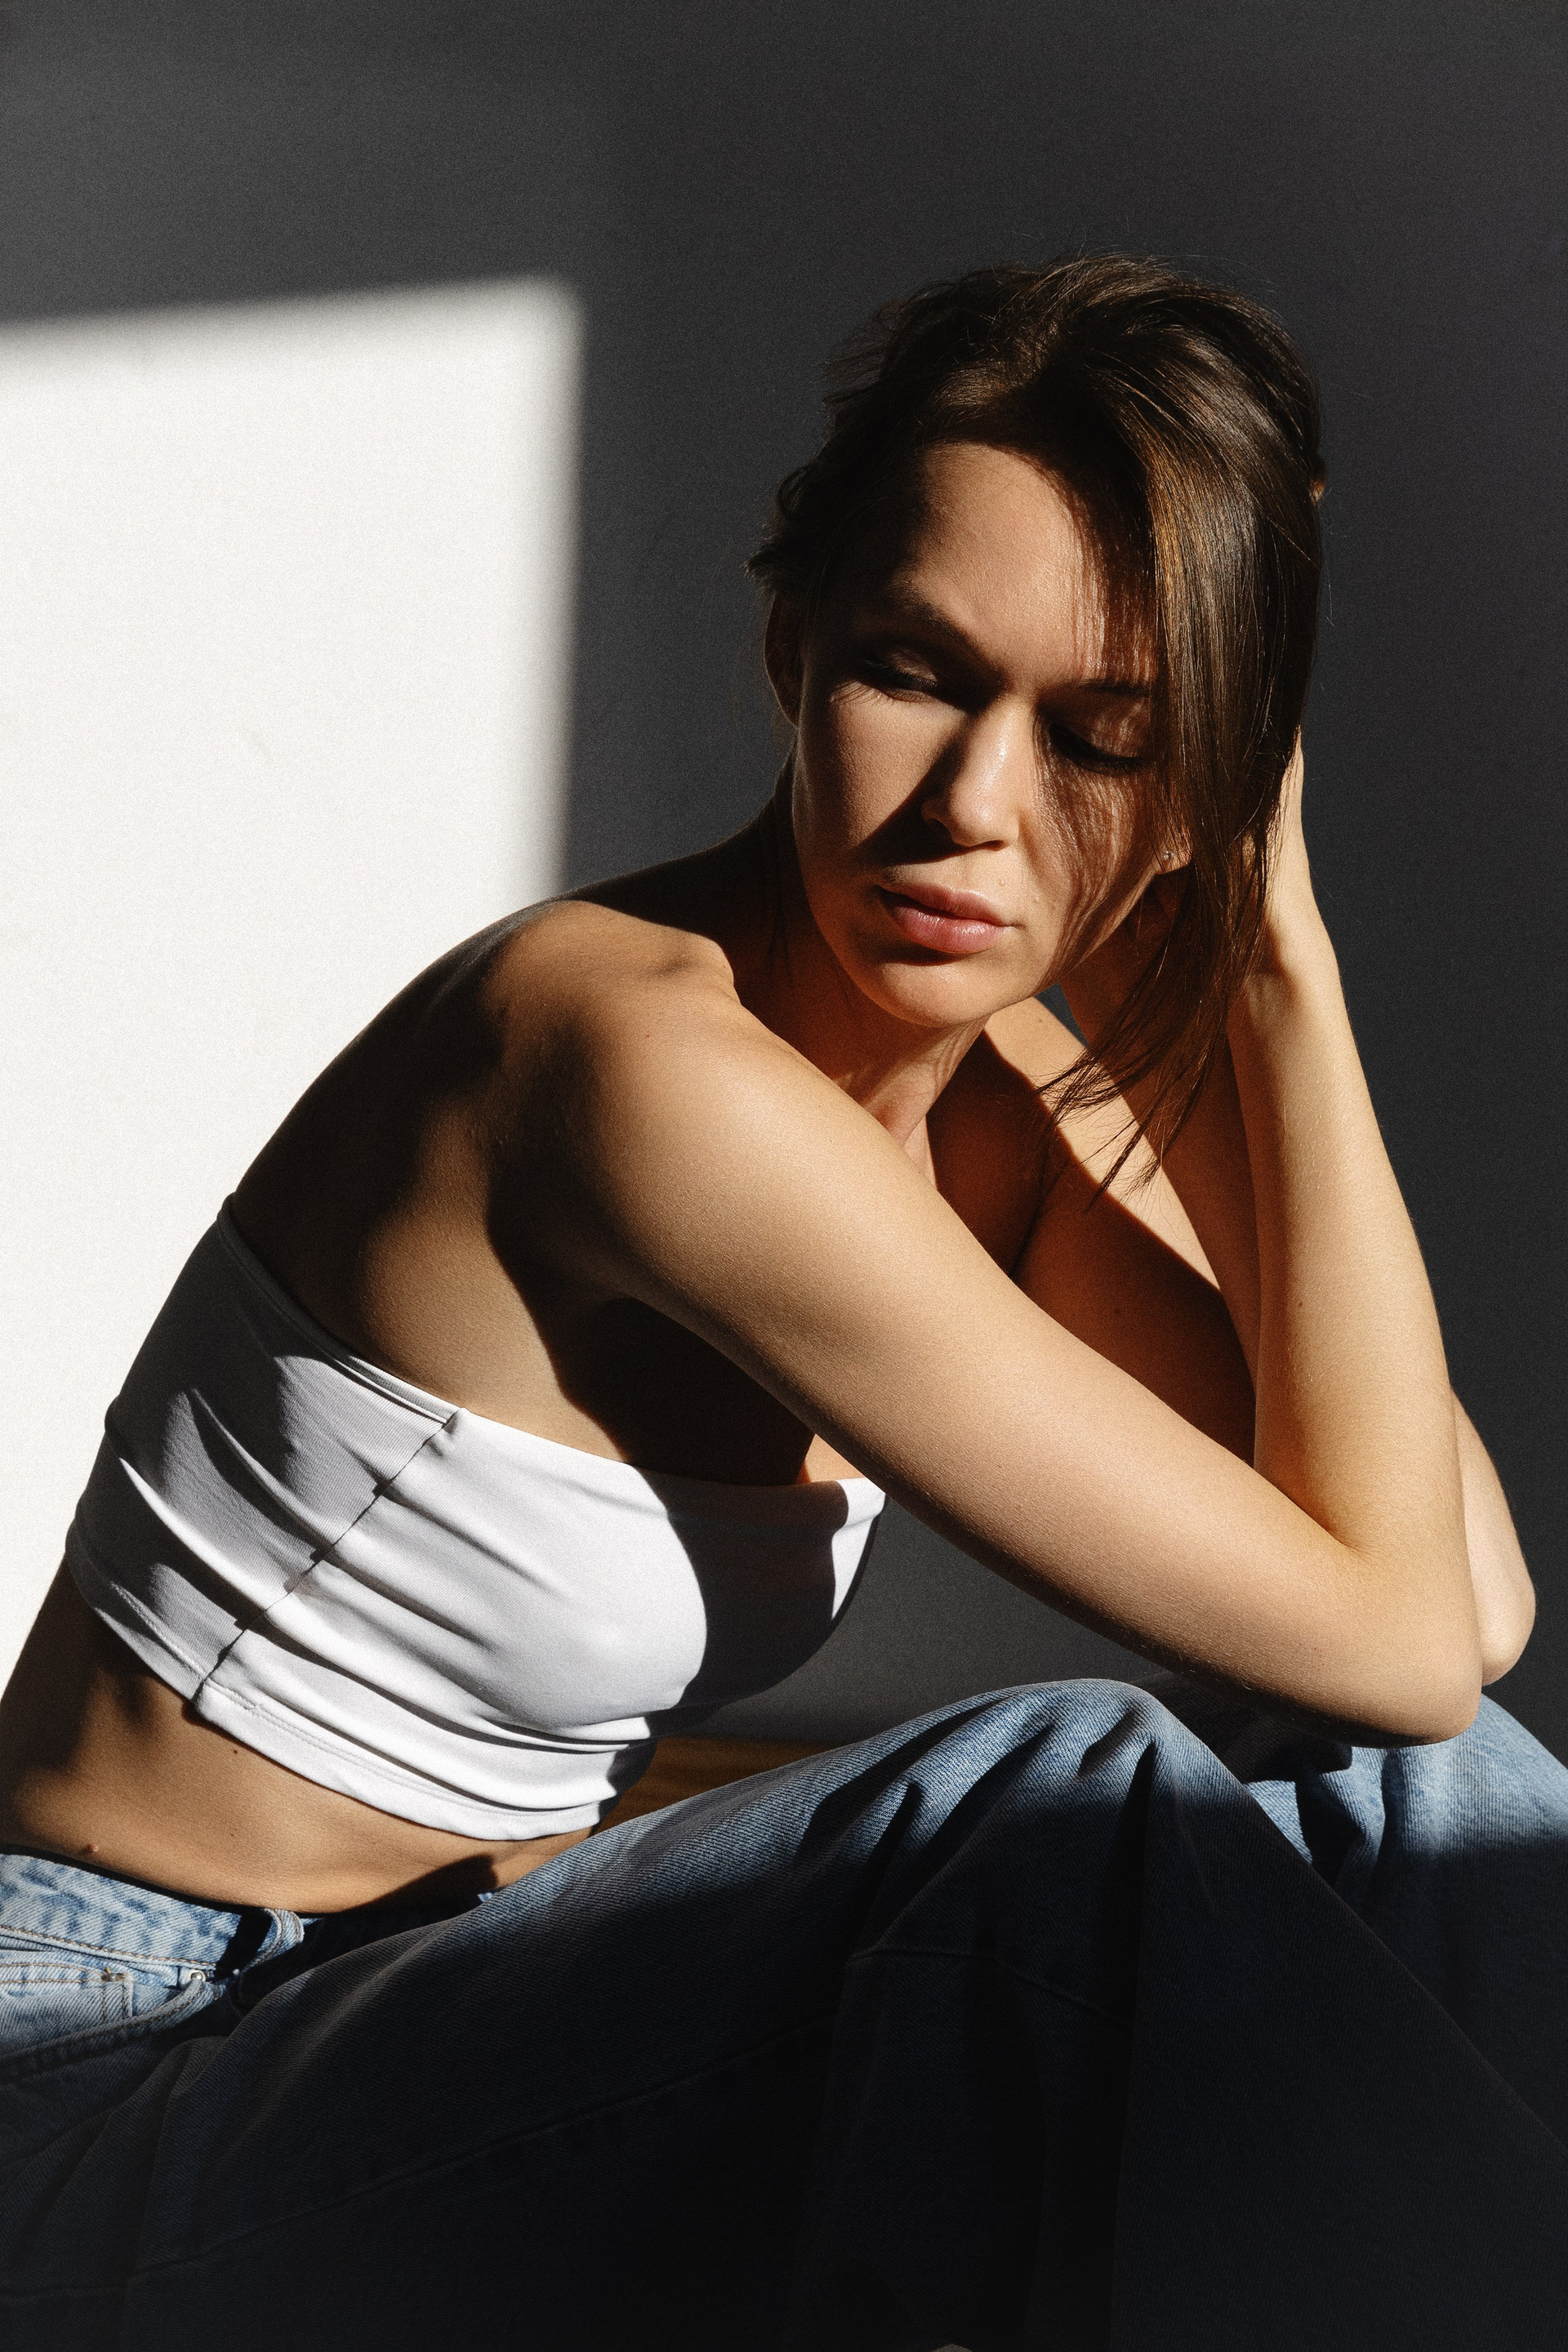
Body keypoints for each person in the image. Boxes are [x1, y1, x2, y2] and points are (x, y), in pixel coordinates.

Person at [0, 257, 1561, 2350]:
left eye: (1102, 738)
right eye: (914, 674)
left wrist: (1270, 961)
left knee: (1413, 1808)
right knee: (1058, 1825)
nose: (974, 808)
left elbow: (1459, 1613)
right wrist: (1233, 920)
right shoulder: (637, 1063)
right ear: (792, 645)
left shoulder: (991, 1102)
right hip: (104, 2084)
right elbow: (1392, 1633)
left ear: (1199, 789)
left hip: (420, 2028)